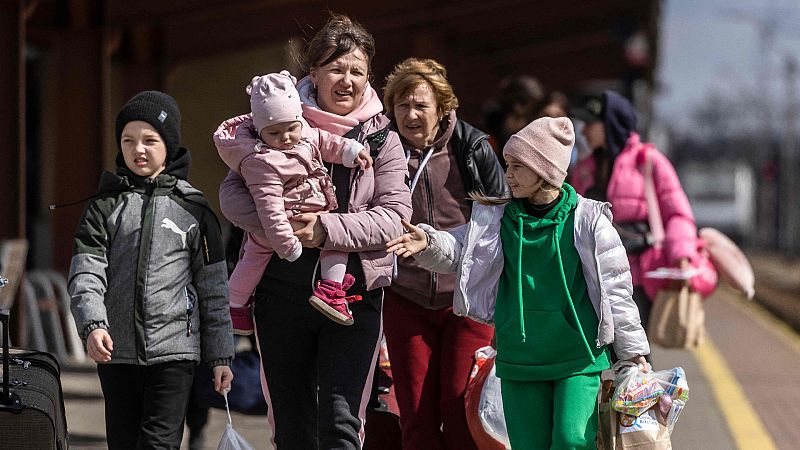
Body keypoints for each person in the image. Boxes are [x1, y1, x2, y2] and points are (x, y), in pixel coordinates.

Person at [386, 117, 650, 449]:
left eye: (517, 166)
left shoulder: (588, 220)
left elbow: (616, 290)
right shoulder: (496, 218)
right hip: (519, 358)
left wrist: (633, 352)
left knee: (571, 440)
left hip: (578, 356)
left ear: (546, 171)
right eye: (507, 164)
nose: (506, 173)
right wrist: (427, 242)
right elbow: (459, 250)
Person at [218, 14, 412, 449]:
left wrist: (324, 229)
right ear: (314, 73)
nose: (347, 80)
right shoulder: (270, 122)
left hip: (354, 296)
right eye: (336, 69)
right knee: (292, 427)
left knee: (342, 425)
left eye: (357, 71)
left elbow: (396, 215)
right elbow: (231, 194)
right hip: (280, 293)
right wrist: (278, 225)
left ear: (369, 77)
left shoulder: (382, 139)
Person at [67, 91, 234, 450]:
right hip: (116, 352)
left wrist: (220, 355)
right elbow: (87, 272)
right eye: (128, 140)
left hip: (175, 353)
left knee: (159, 445)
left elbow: (214, 288)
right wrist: (94, 325)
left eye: (149, 140)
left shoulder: (195, 209)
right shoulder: (103, 206)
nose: (137, 149)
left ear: (169, 145)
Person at [380, 57, 508, 449]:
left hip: (465, 303)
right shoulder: (383, 151)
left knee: (462, 413)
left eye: (421, 105)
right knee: (415, 419)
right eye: (402, 105)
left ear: (442, 108)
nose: (411, 114)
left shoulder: (474, 149)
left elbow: (501, 223)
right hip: (406, 297)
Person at [215, 70, 373, 329]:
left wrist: (350, 150)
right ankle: (234, 304)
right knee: (254, 257)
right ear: (259, 131)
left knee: (335, 239)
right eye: (274, 133)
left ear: (300, 121)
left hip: (315, 210)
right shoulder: (262, 162)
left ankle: (331, 291)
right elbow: (270, 210)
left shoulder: (306, 134)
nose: (285, 138)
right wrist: (286, 244)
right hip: (282, 224)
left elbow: (326, 142)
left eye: (291, 128)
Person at [570, 91, 698, 328]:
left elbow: (678, 214)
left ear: (610, 123)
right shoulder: (584, 169)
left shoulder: (648, 161)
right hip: (592, 275)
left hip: (638, 276)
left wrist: (681, 254)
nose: (584, 130)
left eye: (590, 123)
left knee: (634, 351)